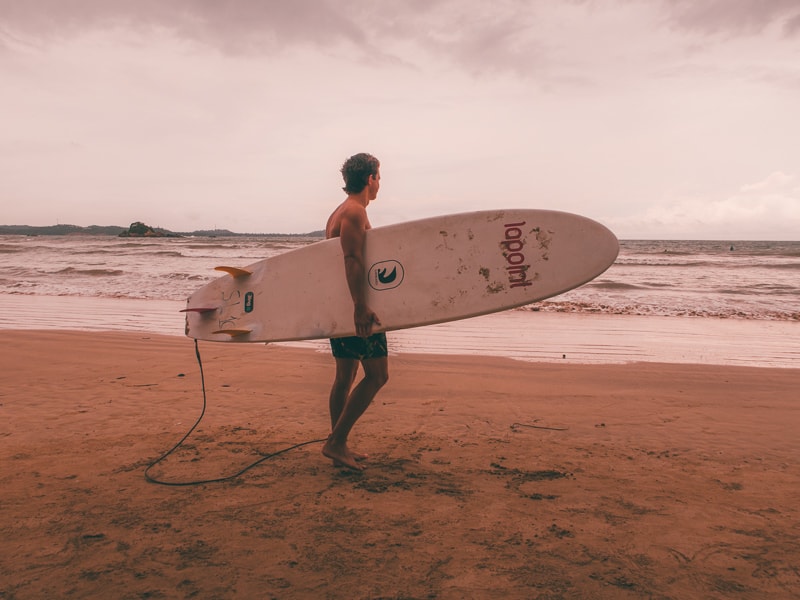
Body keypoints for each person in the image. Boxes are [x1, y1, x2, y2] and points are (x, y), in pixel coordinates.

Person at [322, 153, 389, 471]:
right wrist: (361, 308)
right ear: (370, 178)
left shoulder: (339, 211)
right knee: (377, 375)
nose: (380, 183)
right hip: (355, 309)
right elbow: (352, 260)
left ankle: (339, 445)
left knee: (345, 377)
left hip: (341, 305)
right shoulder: (354, 212)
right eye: (379, 176)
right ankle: (336, 442)